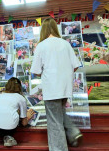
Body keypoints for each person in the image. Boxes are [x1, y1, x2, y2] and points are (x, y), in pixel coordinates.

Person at [30, 18, 83, 151]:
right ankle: (73, 132)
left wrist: (46, 72)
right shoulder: (65, 44)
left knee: (54, 123)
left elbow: (35, 71)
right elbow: (75, 66)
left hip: (51, 88)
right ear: (55, 28)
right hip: (65, 87)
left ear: (44, 30)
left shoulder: (41, 46)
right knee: (59, 113)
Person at [0, 77, 35, 151]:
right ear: (20, 87)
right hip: (8, 127)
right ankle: (7, 137)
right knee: (10, 122)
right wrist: (27, 117)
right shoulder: (21, 98)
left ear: (7, 86)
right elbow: (24, 123)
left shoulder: (0, 95)